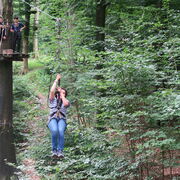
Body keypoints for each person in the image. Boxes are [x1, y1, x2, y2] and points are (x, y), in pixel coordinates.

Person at [48, 74, 70, 158]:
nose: (62, 94)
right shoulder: (53, 100)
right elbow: (52, 91)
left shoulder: (66, 101)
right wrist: (56, 80)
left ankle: (60, 151)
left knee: (60, 131)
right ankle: (54, 150)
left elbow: (65, 103)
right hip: (53, 118)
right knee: (54, 131)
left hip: (61, 119)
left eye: (64, 93)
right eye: (61, 93)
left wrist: (62, 95)